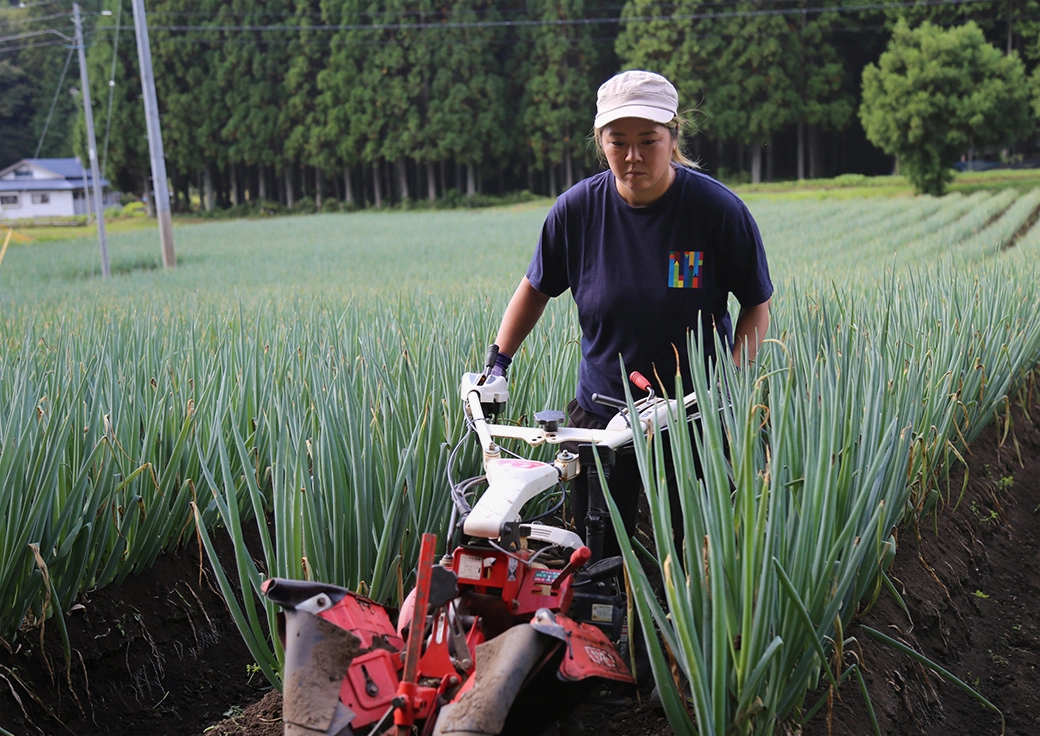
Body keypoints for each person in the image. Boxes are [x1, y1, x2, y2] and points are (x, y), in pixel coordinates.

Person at [490, 70, 773, 555]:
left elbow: (756, 304)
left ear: (673, 136)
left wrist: (731, 383)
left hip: (691, 416)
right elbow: (535, 289)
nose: (633, 155)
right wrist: (497, 362)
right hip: (601, 418)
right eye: (618, 141)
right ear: (601, 141)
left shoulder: (716, 211)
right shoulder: (577, 211)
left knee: (699, 553)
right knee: (592, 557)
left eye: (649, 140)